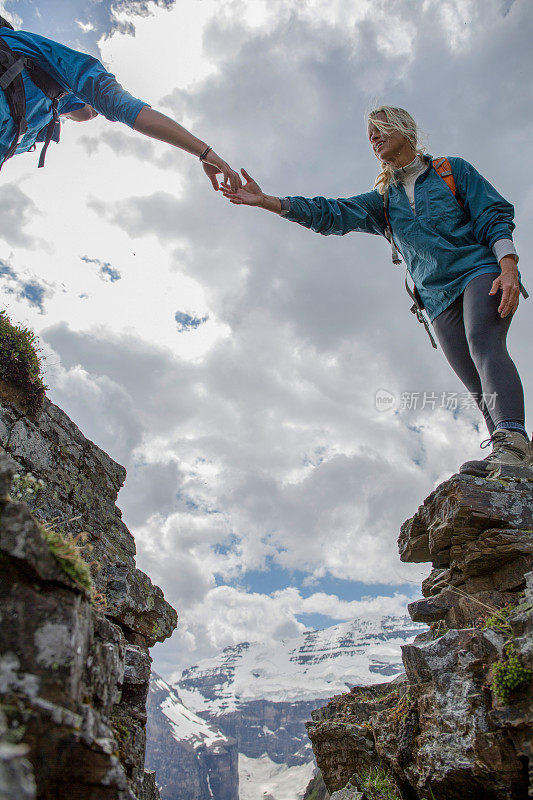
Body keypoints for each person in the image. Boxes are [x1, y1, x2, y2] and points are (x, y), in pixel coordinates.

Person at [220, 105, 531, 475]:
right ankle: (508, 459)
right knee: (475, 382)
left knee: (484, 344)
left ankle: (513, 439)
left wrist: (508, 266)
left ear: (404, 129)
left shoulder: (452, 171)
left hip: (480, 272)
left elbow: (492, 216)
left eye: (380, 128)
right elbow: (329, 213)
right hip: (435, 297)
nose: (373, 137)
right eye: (369, 134)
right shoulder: (382, 200)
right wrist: (268, 202)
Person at [0, 16, 241, 191]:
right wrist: (206, 153)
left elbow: (83, 113)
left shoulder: (43, 110)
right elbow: (122, 108)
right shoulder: (35, 49)